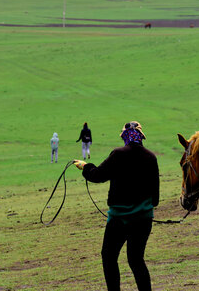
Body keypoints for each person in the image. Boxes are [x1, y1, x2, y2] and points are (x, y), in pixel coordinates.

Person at [74, 121, 159, 291]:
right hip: (143, 219)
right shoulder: (151, 157)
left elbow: (97, 175)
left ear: (124, 136)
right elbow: (155, 198)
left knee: (109, 257)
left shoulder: (118, 154)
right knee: (136, 260)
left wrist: (85, 167)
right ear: (141, 136)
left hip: (119, 220)